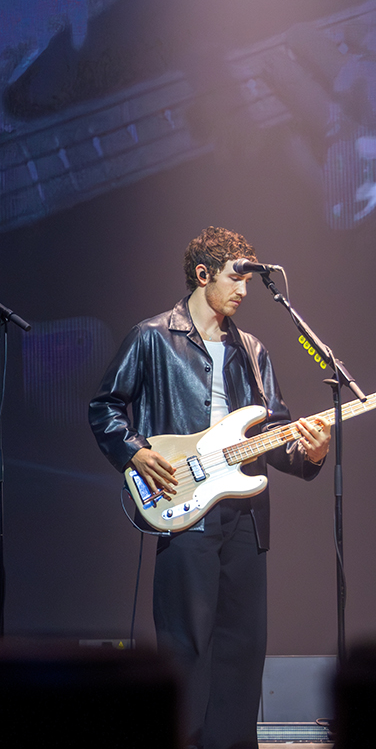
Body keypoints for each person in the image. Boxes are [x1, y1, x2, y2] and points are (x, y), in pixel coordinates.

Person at [89, 226, 331, 749]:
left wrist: (310, 453)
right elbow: (104, 407)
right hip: (184, 502)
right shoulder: (153, 336)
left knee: (243, 645)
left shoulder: (253, 349)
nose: (243, 290)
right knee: (187, 645)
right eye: (235, 278)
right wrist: (135, 452)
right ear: (203, 274)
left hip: (245, 513)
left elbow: (274, 433)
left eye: (249, 280)